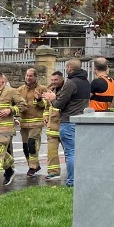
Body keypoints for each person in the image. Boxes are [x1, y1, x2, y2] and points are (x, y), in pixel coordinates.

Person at [43, 58, 91, 187]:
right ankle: (80, 179)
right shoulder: (86, 82)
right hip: (81, 121)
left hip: (68, 121)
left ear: (69, 68)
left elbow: (59, 104)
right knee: (78, 152)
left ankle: (71, 182)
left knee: (70, 153)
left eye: (67, 68)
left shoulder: (71, 83)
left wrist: (52, 98)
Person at [15, 67, 48, 177]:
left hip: (36, 122)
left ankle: (32, 167)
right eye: (27, 75)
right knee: (25, 147)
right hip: (24, 123)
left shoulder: (42, 89)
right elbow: (15, 104)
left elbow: (46, 106)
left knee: (31, 144)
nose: (28, 78)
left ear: (35, 77)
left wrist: (39, 99)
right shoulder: (20, 90)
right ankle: (35, 165)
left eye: (31, 76)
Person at [44, 69, 65, 179]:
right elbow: (47, 106)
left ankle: (72, 171)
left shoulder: (67, 90)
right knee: (51, 152)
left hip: (64, 125)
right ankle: (53, 172)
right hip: (52, 126)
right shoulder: (50, 90)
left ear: (62, 79)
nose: (53, 82)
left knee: (69, 152)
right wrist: (46, 115)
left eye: (56, 80)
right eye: (52, 80)